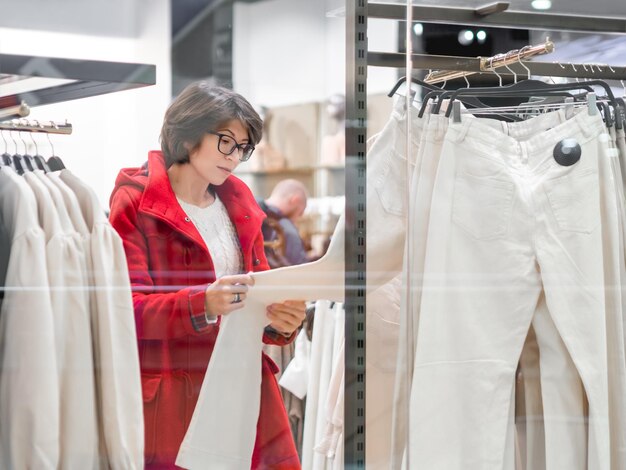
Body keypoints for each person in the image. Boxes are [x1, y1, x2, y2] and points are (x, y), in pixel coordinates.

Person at [109, 82, 306, 469]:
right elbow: (123, 311)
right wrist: (202, 303)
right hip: (173, 398)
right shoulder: (136, 201)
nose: (234, 157)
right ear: (189, 133)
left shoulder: (239, 201)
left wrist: (281, 321)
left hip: (241, 383)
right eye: (225, 142)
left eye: (243, 147)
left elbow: (256, 293)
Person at [257, 179, 309, 267]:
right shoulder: (287, 229)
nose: (297, 219)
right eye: (300, 213)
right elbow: (300, 270)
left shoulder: (251, 210)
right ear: (295, 200)